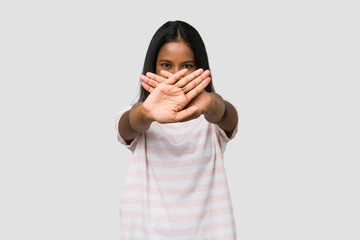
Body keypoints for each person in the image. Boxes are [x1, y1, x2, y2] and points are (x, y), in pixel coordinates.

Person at [115, 20, 238, 239]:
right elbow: (130, 123)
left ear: (199, 67)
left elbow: (225, 114)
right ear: (153, 66)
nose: (175, 75)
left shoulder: (211, 118)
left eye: (187, 66)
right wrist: (147, 113)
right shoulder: (141, 114)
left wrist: (210, 104)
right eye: (166, 65)